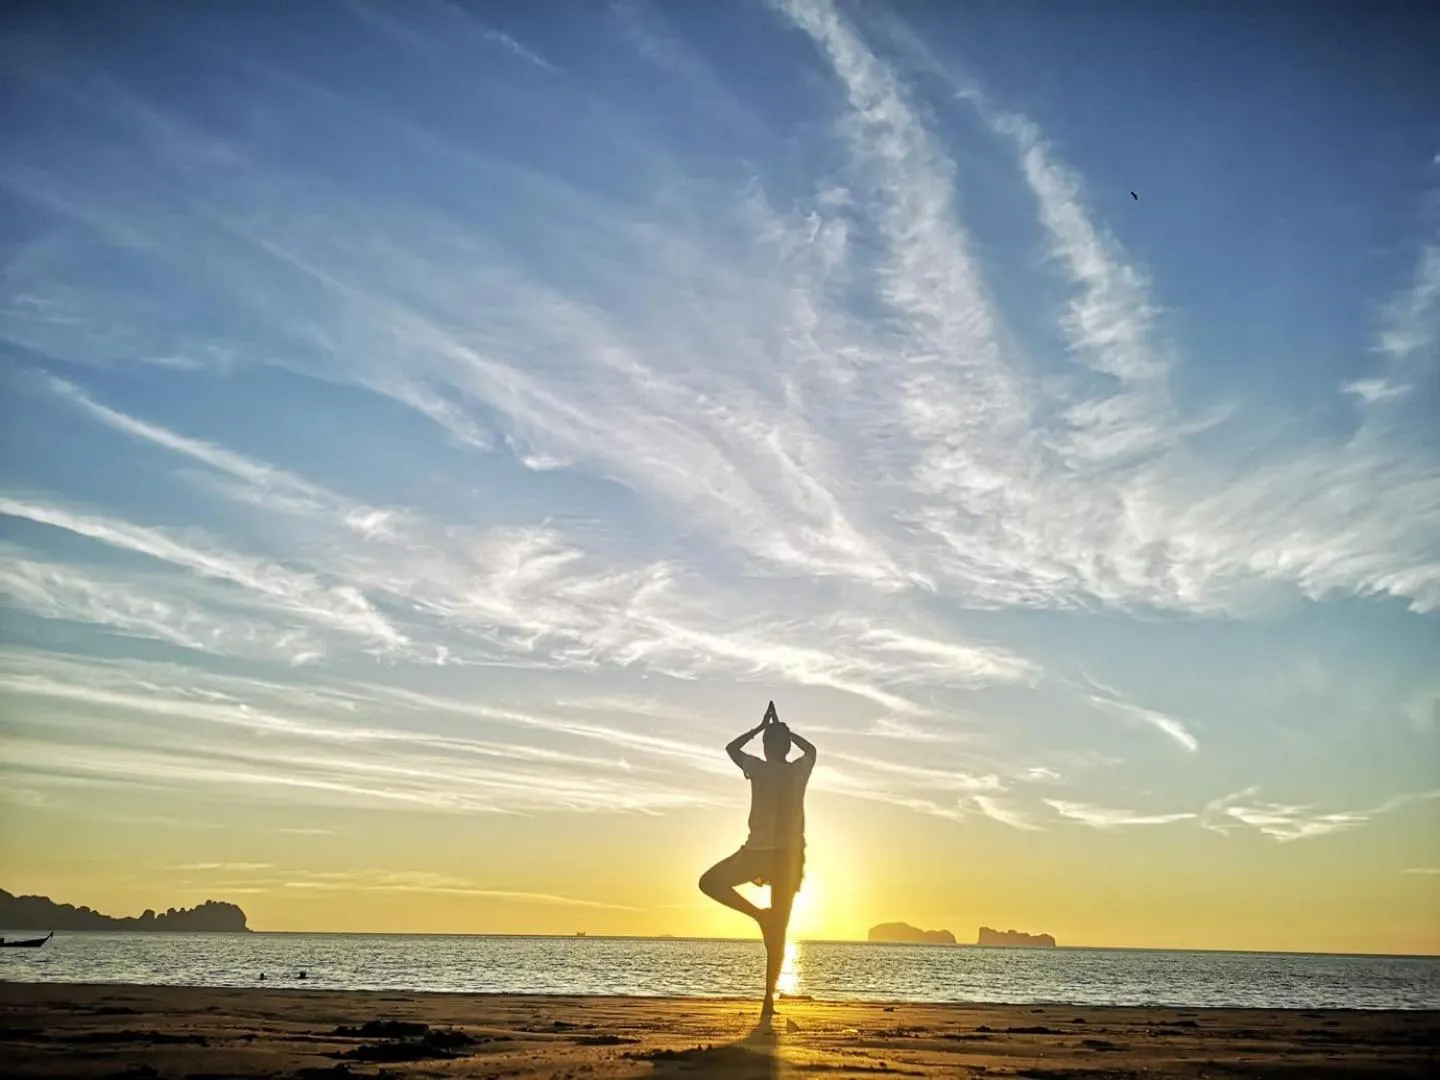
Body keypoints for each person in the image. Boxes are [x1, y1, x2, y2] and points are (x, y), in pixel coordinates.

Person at [698, 700, 817, 1023]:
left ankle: (758, 920)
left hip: (761, 855)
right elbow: (813, 750)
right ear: (786, 746)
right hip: (787, 858)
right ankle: (767, 998)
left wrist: (761, 727)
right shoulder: (797, 770)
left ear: (766, 747)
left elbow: (730, 747)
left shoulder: (759, 767)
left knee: (709, 883)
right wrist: (787, 734)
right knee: (778, 927)